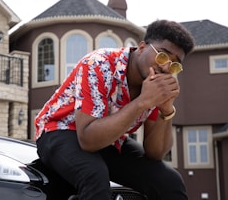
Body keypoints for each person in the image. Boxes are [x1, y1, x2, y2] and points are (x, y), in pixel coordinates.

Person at [34, 20, 195, 200]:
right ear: (142, 47)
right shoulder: (99, 63)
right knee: (94, 175)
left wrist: (166, 109)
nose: (165, 67)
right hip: (60, 130)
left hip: (109, 138)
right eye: (162, 56)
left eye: (174, 65)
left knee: (170, 181)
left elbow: (155, 153)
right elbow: (88, 140)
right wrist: (142, 102)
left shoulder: (156, 87)